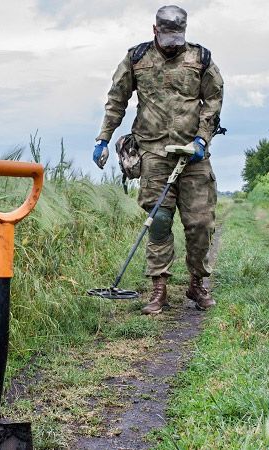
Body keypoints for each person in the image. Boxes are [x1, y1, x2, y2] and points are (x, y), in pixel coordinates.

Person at [93, 5, 224, 314]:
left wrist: (203, 137)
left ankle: (197, 283)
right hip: (153, 152)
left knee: (201, 223)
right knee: (159, 221)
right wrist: (103, 139)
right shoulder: (136, 58)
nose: (172, 43)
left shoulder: (201, 58)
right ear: (155, 30)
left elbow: (214, 100)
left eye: (178, 37)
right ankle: (159, 288)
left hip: (193, 156)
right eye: (167, 37)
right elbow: (117, 100)